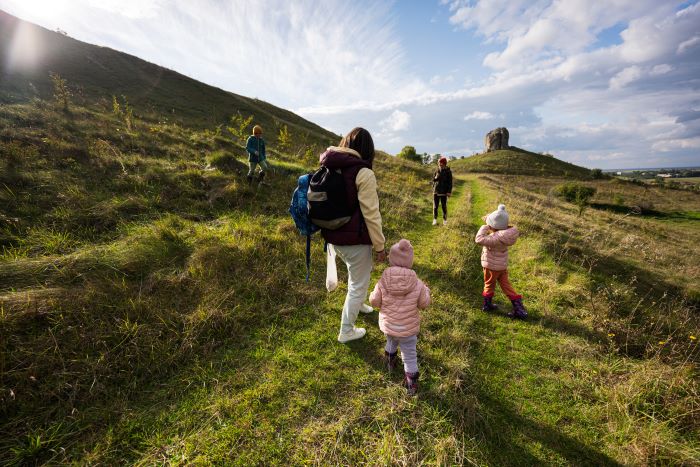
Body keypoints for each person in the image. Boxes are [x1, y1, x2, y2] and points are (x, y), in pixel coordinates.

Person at [319, 127, 387, 343]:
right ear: (368, 149)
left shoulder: (330, 165)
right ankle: (346, 331)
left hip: (332, 236)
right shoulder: (363, 172)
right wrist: (380, 246)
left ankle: (359, 305)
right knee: (358, 283)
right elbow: (371, 213)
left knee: (356, 276)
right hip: (355, 240)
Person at [369, 239, 430, 396]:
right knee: (409, 355)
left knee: (391, 340)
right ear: (410, 261)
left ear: (391, 259)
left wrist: (372, 294)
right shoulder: (417, 283)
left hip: (389, 325)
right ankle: (411, 384)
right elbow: (424, 304)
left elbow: (374, 301)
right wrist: (427, 292)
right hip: (408, 329)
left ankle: (390, 362)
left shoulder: (383, 280)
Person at [474, 204, 527, 319]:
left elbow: (478, 239)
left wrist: (485, 227)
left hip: (491, 266)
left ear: (493, 225)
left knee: (488, 284)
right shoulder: (505, 236)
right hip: (501, 267)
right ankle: (519, 309)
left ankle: (487, 305)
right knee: (506, 286)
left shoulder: (495, 238)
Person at [432, 156, 452, 225]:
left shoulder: (448, 171)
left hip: (444, 192)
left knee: (444, 206)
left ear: (444, 163)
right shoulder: (437, 170)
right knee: (435, 206)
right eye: (439, 163)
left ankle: (445, 220)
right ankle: (435, 219)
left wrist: (449, 191)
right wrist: (435, 177)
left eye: (440, 163)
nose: (439, 164)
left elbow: (450, 182)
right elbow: (434, 180)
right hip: (436, 191)